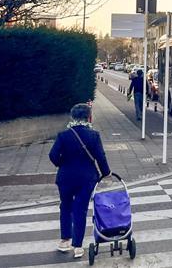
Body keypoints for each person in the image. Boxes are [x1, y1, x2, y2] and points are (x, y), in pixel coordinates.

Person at [48, 103, 110, 259]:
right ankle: (77, 246)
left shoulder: (63, 135)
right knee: (80, 209)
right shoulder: (93, 135)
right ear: (89, 117)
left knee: (65, 206)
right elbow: (100, 157)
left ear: (72, 117)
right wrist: (106, 173)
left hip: (65, 178)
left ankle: (64, 241)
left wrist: (63, 164)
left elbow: (53, 156)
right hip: (86, 179)